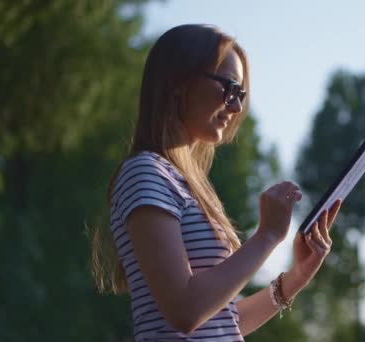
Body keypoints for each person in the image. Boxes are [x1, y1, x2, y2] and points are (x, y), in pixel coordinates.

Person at [90, 24, 342, 341]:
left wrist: (297, 276)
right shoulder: (144, 172)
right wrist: (266, 236)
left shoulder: (182, 183)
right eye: (229, 88)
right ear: (180, 83)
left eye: (240, 94)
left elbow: (223, 322)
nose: (235, 107)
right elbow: (184, 311)